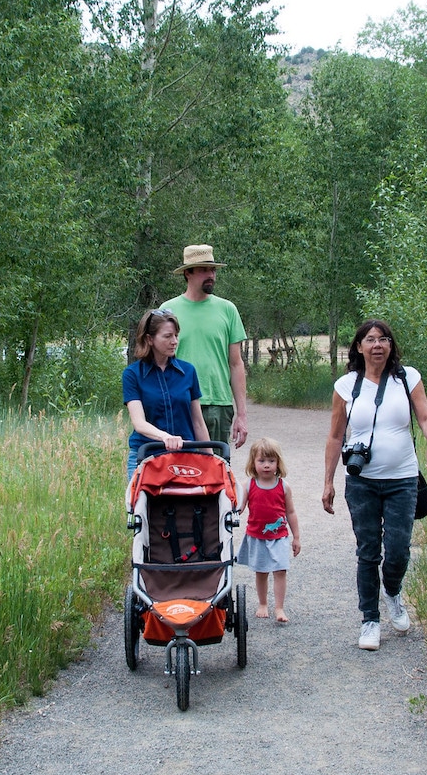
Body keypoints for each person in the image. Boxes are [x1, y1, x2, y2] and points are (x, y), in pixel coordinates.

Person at [321, 319, 427, 651]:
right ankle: (370, 621)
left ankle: (392, 591)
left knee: (399, 548)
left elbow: (426, 417)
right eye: (371, 339)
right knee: (368, 552)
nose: (378, 345)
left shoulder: (407, 378)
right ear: (358, 347)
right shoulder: (346, 386)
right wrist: (328, 482)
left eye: (384, 339)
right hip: (361, 483)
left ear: (391, 346)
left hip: (403, 479)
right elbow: (335, 437)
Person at [164, 244, 249, 449]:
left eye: (212, 270)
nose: (210, 275)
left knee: (217, 472)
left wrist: (242, 415)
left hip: (218, 404)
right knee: (181, 471)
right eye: (203, 270)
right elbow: (159, 364)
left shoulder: (227, 310)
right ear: (187, 273)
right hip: (179, 402)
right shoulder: (168, 311)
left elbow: (236, 364)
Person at [123, 308, 209, 478]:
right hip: (146, 455)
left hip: (185, 457)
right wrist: (166, 438)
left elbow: (198, 422)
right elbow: (139, 423)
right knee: (140, 504)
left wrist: (212, 460)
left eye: (176, 335)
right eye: (168, 336)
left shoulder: (188, 372)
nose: (174, 341)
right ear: (149, 339)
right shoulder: (132, 375)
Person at [237, 437, 301, 624]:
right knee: (261, 571)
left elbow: (291, 512)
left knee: (280, 570)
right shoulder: (248, 485)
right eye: (262, 461)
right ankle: (263, 603)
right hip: (257, 536)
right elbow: (239, 507)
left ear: (278, 463)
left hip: (279, 536)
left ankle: (279, 607)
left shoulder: (284, 486)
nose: (266, 465)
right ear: (253, 462)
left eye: (271, 461)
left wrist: (296, 537)